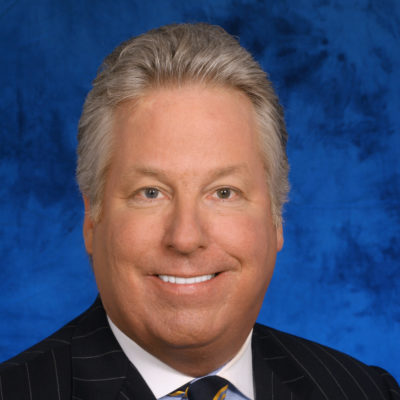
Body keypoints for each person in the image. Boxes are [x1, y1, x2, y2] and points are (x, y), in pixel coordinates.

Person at [0, 23, 398, 400]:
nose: (186, 238)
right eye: (151, 193)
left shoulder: (365, 391)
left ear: (276, 217)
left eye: (223, 192)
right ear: (92, 219)